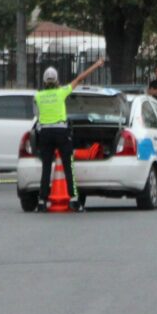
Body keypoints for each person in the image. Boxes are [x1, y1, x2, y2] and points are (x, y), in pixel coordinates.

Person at [34, 58, 105, 212]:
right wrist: (96, 65)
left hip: (45, 132)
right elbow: (80, 78)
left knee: (46, 167)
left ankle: (42, 201)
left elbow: (36, 113)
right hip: (60, 131)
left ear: (44, 81)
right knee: (67, 165)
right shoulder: (61, 92)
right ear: (57, 80)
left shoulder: (38, 96)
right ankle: (74, 200)